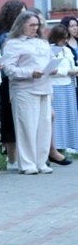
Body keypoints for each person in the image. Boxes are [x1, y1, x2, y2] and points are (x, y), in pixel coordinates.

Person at [1, 10, 55, 175]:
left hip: (44, 88)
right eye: (31, 25)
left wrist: (54, 68)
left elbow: (51, 59)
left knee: (43, 128)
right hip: (25, 90)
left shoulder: (42, 42)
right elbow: (9, 69)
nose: (34, 28)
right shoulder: (13, 43)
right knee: (27, 128)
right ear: (20, 25)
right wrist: (30, 72)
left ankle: (41, 161)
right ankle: (27, 164)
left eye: (37, 25)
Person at [0, 0, 27, 171]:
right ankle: (12, 158)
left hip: (23, 80)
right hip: (8, 81)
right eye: (20, 13)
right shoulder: (5, 37)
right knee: (9, 120)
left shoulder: (24, 37)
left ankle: (22, 156)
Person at [47, 24, 78, 158]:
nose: (65, 41)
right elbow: (51, 70)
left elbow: (72, 65)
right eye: (62, 38)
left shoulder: (67, 51)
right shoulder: (50, 50)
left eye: (66, 38)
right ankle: (57, 146)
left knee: (69, 116)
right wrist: (68, 72)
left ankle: (68, 145)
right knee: (57, 118)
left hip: (68, 85)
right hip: (56, 86)